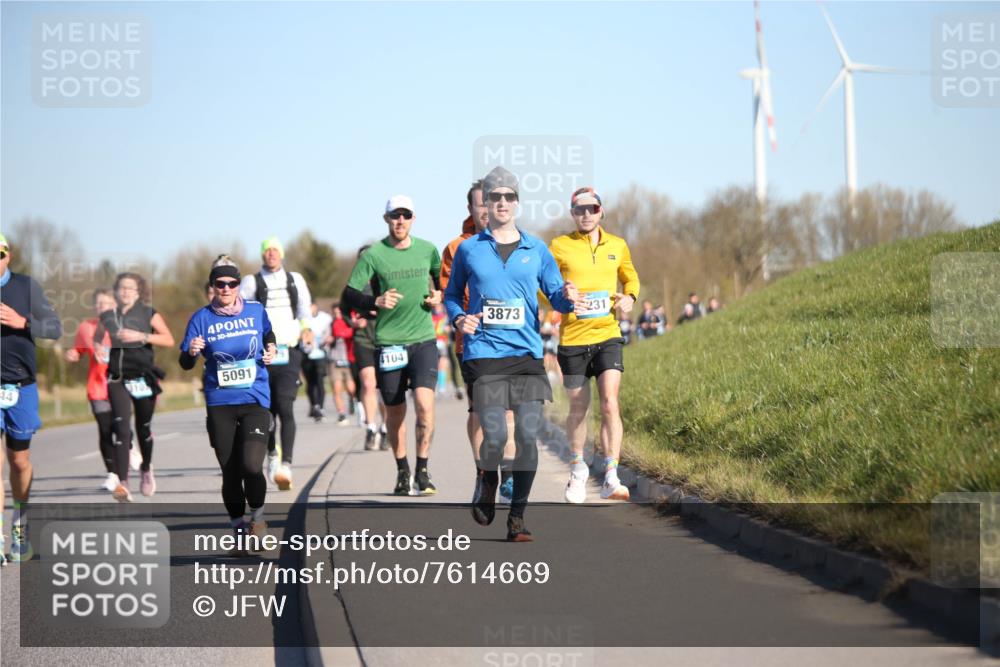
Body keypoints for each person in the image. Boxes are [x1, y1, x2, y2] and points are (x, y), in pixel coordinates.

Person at [445, 166, 578, 541]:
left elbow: (554, 296)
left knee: (528, 435)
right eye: (495, 196)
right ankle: (488, 478)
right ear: (485, 203)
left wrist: (566, 297)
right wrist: (459, 319)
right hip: (484, 353)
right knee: (494, 433)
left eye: (509, 196)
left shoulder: (537, 249)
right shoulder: (470, 249)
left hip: (525, 354)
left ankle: (517, 518)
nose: (502, 202)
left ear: (517, 203)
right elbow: (453, 296)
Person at [343, 195, 442, 495]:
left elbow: (444, 281)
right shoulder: (373, 255)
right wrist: (375, 300)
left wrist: (439, 295)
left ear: (413, 219)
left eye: (406, 215)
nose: (400, 220)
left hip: (423, 338)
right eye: (395, 215)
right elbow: (349, 294)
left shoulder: (428, 250)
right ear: (386, 219)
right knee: (395, 413)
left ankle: (422, 471)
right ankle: (403, 471)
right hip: (389, 344)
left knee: (425, 406)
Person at [180, 256, 276, 554]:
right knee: (231, 471)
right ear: (212, 287)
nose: (226, 288)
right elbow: (184, 362)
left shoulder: (255, 310)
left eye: (232, 283)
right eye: (220, 284)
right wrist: (193, 352)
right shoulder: (201, 319)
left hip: (254, 399)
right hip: (220, 401)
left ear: (238, 286)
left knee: (251, 465)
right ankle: (237, 527)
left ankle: (258, 520)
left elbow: (268, 333)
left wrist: (271, 347)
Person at [550, 187, 640, 503]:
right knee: (578, 407)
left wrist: (630, 298)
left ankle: (611, 476)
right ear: (572, 213)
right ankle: (578, 471)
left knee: (610, 403)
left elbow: (631, 279)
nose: (586, 215)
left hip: (607, 335)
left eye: (592, 209)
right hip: (573, 340)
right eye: (579, 210)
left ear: (601, 211)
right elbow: (541, 289)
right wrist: (562, 295)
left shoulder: (617, 245)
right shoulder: (559, 246)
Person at [440, 180, 517, 503]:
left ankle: (510, 476)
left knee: (510, 412)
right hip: (472, 344)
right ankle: (482, 472)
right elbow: (450, 294)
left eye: (493, 202)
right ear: (471, 209)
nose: (487, 209)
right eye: (480, 204)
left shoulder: (517, 242)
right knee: (483, 413)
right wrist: (467, 316)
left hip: (511, 342)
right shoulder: (458, 248)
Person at [0, 233, 62, 564]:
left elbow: (54, 328)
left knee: (19, 462)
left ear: (8, 256)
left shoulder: (26, 287)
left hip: (21, 387)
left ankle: (20, 525)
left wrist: (22, 322)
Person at [239, 237, 313, 491]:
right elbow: (240, 311)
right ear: (262, 255)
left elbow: (304, 309)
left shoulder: (294, 279)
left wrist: (307, 330)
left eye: (275, 250)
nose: (271, 254)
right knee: (266, 410)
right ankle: (272, 454)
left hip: (289, 351)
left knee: (286, 406)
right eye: (267, 251)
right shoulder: (251, 282)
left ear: (281, 254)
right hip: (262, 354)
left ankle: (287, 465)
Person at [98, 271, 175, 502]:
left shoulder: (148, 313)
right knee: (121, 427)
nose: (126, 291)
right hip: (117, 378)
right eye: (122, 288)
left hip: (143, 377)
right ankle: (123, 483)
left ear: (138, 291)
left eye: (130, 288)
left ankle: (146, 468)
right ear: (116, 291)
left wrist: (141, 336)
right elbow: (97, 337)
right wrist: (99, 348)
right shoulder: (108, 316)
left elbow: (169, 339)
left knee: (143, 428)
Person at [65, 288, 119, 491]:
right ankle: (112, 474)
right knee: (105, 430)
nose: (101, 307)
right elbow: (77, 351)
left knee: (121, 429)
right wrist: (72, 355)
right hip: (97, 387)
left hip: (120, 386)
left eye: (105, 303)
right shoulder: (86, 327)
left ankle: (130, 447)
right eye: (98, 304)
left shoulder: (122, 326)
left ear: (114, 305)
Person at [343, 246, 387, 451]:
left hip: (386, 339)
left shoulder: (386, 280)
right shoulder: (353, 286)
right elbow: (343, 311)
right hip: (363, 340)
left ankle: (386, 428)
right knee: (368, 384)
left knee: (386, 390)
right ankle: (370, 429)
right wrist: (352, 322)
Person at [301, 301, 333, 422]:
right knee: (310, 382)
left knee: (319, 381)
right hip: (306, 354)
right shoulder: (302, 318)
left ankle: (321, 406)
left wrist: (326, 340)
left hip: (320, 354)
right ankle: (314, 405)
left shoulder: (325, 318)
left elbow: (329, 333)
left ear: (315, 306)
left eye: (311, 306)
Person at [329, 304, 357, 426]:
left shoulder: (350, 323)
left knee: (351, 388)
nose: (337, 316)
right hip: (335, 361)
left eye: (339, 313)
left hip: (348, 360)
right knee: (336, 389)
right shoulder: (331, 325)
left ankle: (353, 399)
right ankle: (341, 413)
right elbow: (327, 336)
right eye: (335, 314)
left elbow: (350, 333)